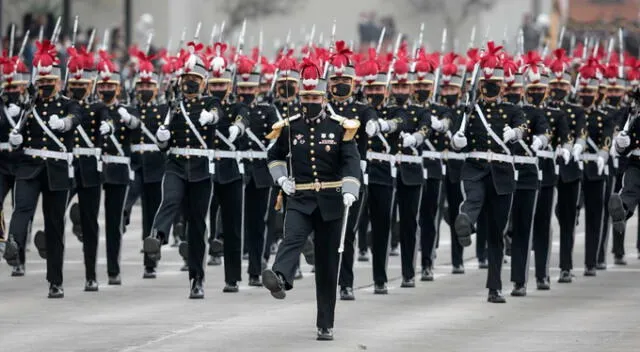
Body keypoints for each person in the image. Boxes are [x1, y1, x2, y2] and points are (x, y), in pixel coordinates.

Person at [262, 58, 360, 341]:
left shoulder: (341, 126)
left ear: (324, 96)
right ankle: (280, 277)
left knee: (328, 265)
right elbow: (274, 156)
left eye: (315, 96)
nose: (310, 102)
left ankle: (325, 323)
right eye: (306, 97)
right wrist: (281, 179)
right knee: (291, 237)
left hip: (331, 200)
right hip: (301, 196)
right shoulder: (290, 126)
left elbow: (350, 162)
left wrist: (351, 188)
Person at [144, 42, 223, 299]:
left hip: (200, 169)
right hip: (176, 164)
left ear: (203, 81)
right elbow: (163, 144)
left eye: (195, 79)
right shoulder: (173, 105)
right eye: (186, 78)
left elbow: (217, 113)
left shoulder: (210, 101)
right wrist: (162, 137)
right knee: (170, 199)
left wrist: (210, 118)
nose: (190, 82)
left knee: (197, 226)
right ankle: (157, 235)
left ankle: (196, 279)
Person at [4, 40, 81, 298]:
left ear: (58, 83)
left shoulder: (69, 105)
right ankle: (13, 243)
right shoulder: (29, 106)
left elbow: (75, 119)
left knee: (54, 225)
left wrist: (65, 123)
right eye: (42, 81)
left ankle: (55, 281)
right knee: (22, 207)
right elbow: (19, 136)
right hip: (29, 167)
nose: (46, 85)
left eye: (50, 82)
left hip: (56, 170)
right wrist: (16, 141)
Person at [452, 42, 526, 303]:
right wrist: (457, 139)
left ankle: (494, 287)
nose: (490, 89)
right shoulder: (470, 111)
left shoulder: (512, 110)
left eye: (494, 85)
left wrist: (514, 133)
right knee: (472, 199)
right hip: (474, 168)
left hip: (502, 174)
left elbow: (523, 128)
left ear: (502, 86)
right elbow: (455, 135)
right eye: (486, 85)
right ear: (480, 86)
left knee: (496, 232)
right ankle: (466, 223)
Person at [327, 41, 376, 301]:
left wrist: (373, 127)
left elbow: (371, 118)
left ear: (354, 83)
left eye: (345, 80)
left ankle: (345, 282)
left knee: (347, 232)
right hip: (323, 177)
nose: (340, 85)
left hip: (351, 178)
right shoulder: (322, 109)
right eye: (335, 80)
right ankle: (326, 275)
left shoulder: (361, 109)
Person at [502, 56, 549, 297]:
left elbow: (544, 133)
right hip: (501, 173)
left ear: (523, 90)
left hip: (528, 175)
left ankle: (519, 280)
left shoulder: (534, 113)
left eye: (515, 88)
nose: (511, 92)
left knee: (522, 228)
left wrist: (540, 141)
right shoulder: (494, 112)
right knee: (497, 225)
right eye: (507, 88)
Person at [66, 46, 110, 291]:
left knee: (90, 222)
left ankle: (91, 274)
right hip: (67, 168)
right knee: (54, 216)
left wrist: (108, 127)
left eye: (83, 83)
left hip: (91, 171)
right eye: (75, 83)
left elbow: (106, 118)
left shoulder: (97, 108)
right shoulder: (62, 106)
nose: (79, 87)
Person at [235, 54, 279, 287]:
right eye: (242, 88)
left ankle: (256, 266)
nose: (247, 92)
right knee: (240, 221)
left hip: (261, 173)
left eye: (250, 88)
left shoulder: (267, 110)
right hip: (240, 170)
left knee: (259, 222)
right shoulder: (233, 109)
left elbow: (277, 133)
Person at [548, 48, 587, 283]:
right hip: (546, 166)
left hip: (569, 168)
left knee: (566, 217)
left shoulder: (576, 111)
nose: (559, 89)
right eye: (556, 84)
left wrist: (576, 148)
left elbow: (581, 133)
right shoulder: (543, 109)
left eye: (563, 85)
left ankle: (565, 265)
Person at [128, 50, 168, 279]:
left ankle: (150, 259)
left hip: (155, 166)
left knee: (151, 215)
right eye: (140, 86)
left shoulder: (162, 110)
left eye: (148, 86)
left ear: (156, 88)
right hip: (135, 165)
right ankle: (123, 216)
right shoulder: (131, 110)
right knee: (128, 198)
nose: (144, 90)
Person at [0, 52, 29, 274]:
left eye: (15, 88)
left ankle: (17, 255)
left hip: (21, 163)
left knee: (20, 210)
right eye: (8, 88)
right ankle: (2, 240)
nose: (11, 92)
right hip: (1, 162)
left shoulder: (30, 107)